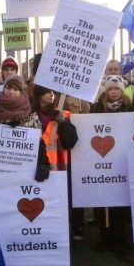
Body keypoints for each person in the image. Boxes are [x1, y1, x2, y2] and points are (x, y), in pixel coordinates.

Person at [90, 75, 134, 252]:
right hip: (102, 161)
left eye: (116, 89)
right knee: (102, 200)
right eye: (110, 89)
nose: (114, 92)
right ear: (106, 91)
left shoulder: (129, 107)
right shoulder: (97, 108)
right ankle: (104, 236)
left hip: (122, 161)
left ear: (121, 91)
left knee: (121, 201)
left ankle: (119, 236)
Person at [31, 85, 80, 239]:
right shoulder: (29, 115)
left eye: (53, 92)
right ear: (39, 94)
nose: (52, 95)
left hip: (60, 167)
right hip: (37, 166)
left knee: (61, 201)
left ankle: (66, 233)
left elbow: (71, 142)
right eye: (48, 91)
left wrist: (64, 123)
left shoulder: (63, 114)